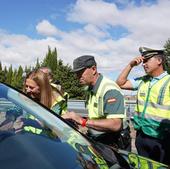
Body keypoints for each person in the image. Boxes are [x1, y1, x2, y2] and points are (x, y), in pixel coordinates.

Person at [62, 55, 131, 151]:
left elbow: (115, 124)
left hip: (114, 143)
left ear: (94, 69)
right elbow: (95, 116)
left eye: (80, 72)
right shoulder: (89, 88)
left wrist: (82, 121)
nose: (77, 77)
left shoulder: (109, 90)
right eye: (76, 73)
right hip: (100, 140)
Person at [116, 47, 170, 164]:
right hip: (141, 136)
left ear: (159, 61)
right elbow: (120, 83)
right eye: (143, 61)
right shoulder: (142, 81)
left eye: (146, 60)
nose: (143, 64)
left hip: (163, 140)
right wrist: (130, 65)